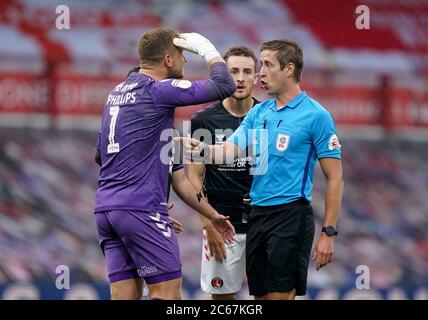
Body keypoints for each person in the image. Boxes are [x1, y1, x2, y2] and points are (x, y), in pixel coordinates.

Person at [179, 39, 344, 300]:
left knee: (277, 296)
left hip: (290, 215)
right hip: (257, 216)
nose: (260, 73)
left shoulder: (316, 116)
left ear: (289, 69)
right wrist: (201, 150)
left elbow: (335, 177)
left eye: (266, 65)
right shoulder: (260, 112)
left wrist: (328, 232)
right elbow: (230, 149)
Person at [93, 28, 236, 300]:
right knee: (168, 294)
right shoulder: (157, 90)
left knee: (125, 295)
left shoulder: (115, 95)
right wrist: (207, 50)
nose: (185, 61)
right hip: (139, 209)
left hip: (108, 211)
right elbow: (223, 86)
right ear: (168, 59)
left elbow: (102, 156)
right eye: (183, 55)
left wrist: (212, 214)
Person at [187, 46, 259, 300]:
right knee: (222, 299)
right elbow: (193, 176)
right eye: (234, 71)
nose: (240, 78)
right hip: (222, 226)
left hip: (265, 225)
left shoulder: (269, 118)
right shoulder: (203, 120)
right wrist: (208, 224)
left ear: (256, 76)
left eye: (247, 71)